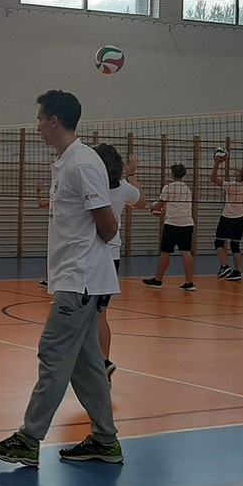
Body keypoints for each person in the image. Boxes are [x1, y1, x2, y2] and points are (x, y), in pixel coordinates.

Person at [0, 90, 123, 468]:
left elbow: (108, 225)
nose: (38, 127)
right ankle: (106, 441)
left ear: (54, 121)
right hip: (73, 277)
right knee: (87, 366)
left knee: (53, 353)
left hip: (80, 280)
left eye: (40, 120)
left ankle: (28, 440)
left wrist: (84, 257)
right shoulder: (65, 162)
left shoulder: (82, 162)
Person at [92, 143, 146, 380]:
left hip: (90, 257)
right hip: (111, 257)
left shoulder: (91, 186)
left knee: (83, 315)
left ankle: (97, 363)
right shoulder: (123, 188)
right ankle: (102, 362)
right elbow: (142, 202)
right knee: (100, 315)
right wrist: (131, 174)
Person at [143, 162, 196, 291]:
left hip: (172, 224)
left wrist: (151, 206)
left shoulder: (168, 187)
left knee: (165, 252)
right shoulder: (187, 189)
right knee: (186, 252)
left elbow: (159, 205)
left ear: (172, 174)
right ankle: (189, 282)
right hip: (187, 223)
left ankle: (158, 280)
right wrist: (162, 212)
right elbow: (174, 207)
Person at [210, 154, 243, 281]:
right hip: (240, 219)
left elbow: (213, 178)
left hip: (227, 217)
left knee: (218, 242)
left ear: (240, 176)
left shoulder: (230, 185)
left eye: (239, 171)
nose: (237, 171)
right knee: (235, 245)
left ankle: (225, 266)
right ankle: (237, 272)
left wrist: (217, 164)